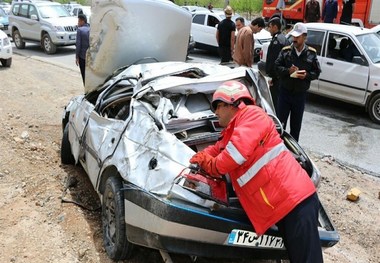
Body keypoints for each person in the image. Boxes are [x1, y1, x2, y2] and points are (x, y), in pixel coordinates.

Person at [189, 80, 323, 263]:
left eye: (218, 106)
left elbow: (229, 159)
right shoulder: (234, 129)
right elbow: (217, 148)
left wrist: (208, 163)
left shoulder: (252, 115)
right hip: (283, 205)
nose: (216, 113)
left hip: (295, 202)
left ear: (232, 103)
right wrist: (198, 156)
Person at [275, 23, 321, 142]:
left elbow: (317, 72)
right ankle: (279, 149)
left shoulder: (311, 53)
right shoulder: (286, 51)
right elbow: (276, 67)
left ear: (304, 37)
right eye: (294, 36)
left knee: (295, 128)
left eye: (298, 37)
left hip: (300, 96)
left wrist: (306, 75)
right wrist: (287, 71)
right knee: (280, 125)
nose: (294, 39)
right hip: (285, 94)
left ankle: (293, 154)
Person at [265, 18, 290, 114]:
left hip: (277, 79)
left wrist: (272, 78)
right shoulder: (284, 39)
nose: (269, 29)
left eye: (270, 27)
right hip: (282, 77)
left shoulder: (277, 41)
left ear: (275, 27)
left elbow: (274, 62)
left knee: (275, 104)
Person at [75, 14, 90, 85]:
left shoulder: (80, 30)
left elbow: (78, 45)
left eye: (78, 21)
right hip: (91, 57)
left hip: (83, 57)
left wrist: (77, 57)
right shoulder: (91, 28)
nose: (78, 23)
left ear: (82, 21)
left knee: (84, 75)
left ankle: (86, 91)